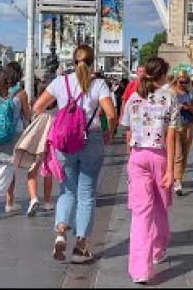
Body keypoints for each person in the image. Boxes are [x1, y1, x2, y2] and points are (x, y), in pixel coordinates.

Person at [34, 45, 118, 264]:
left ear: (73, 61)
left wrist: (60, 121)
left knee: (67, 190)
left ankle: (61, 232)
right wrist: (109, 132)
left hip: (64, 143)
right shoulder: (98, 84)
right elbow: (111, 113)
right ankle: (81, 246)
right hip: (91, 139)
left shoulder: (59, 82)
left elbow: (38, 107)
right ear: (92, 62)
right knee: (87, 193)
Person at [120, 57, 177, 284]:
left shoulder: (133, 98)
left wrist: (130, 161)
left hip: (137, 156)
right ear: (162, 74)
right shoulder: (169, 97)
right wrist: (171, 169)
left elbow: (127, 132)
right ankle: (158, 248)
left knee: (140, 213)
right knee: (161, 207)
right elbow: (171, 135)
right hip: (160, 156)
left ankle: (140, 269)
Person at [0, 62, 31, 219]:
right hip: (13, 135)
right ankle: (10, 202)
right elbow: (27, 116)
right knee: (10, 169)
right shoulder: (21, 93)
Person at [25, 78, 55, 216]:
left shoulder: (36, 107)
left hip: (37, 143)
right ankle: (47, 202)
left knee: (32, 171)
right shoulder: (57, 109)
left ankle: (33, 198)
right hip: (51, 143)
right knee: (47, 172)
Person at [172, 70, 193, 195]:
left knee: (185, 153)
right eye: (181, 82)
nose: (183, 84)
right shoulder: (171, 93)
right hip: (175, 126)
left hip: (188, 124)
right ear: (176, 81)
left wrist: (189, 107)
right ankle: (177, 181)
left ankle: (179, 176)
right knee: (178, 154)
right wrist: (178, 107)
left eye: (186, 82)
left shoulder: (190, 93)